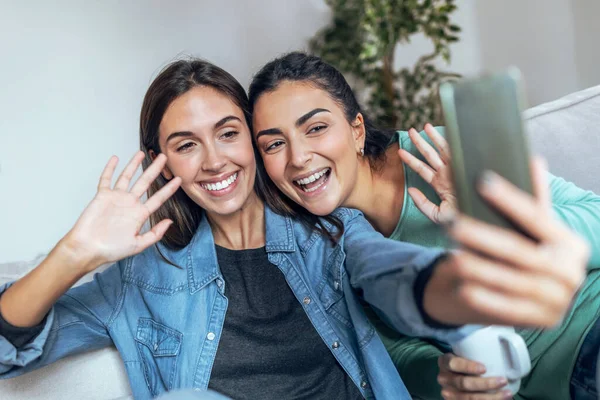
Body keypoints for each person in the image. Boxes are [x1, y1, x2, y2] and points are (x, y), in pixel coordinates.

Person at [2, 58, 576, 400]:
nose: (213, 162)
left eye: (228, 133)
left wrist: (473, 283)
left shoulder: (327, 234)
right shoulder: (139, 280)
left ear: (254, 141)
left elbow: (395, 277)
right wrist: (76, 252)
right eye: (185, 145)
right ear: (161, 161)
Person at [248, 51, 598, 400]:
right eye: (275, 144)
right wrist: (447, 376)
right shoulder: (315, 247)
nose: (298, 157)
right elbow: (397, 356)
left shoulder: (438, 155)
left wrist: (491, 221)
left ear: (356, 130)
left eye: (316, 128)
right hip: (562, 382)